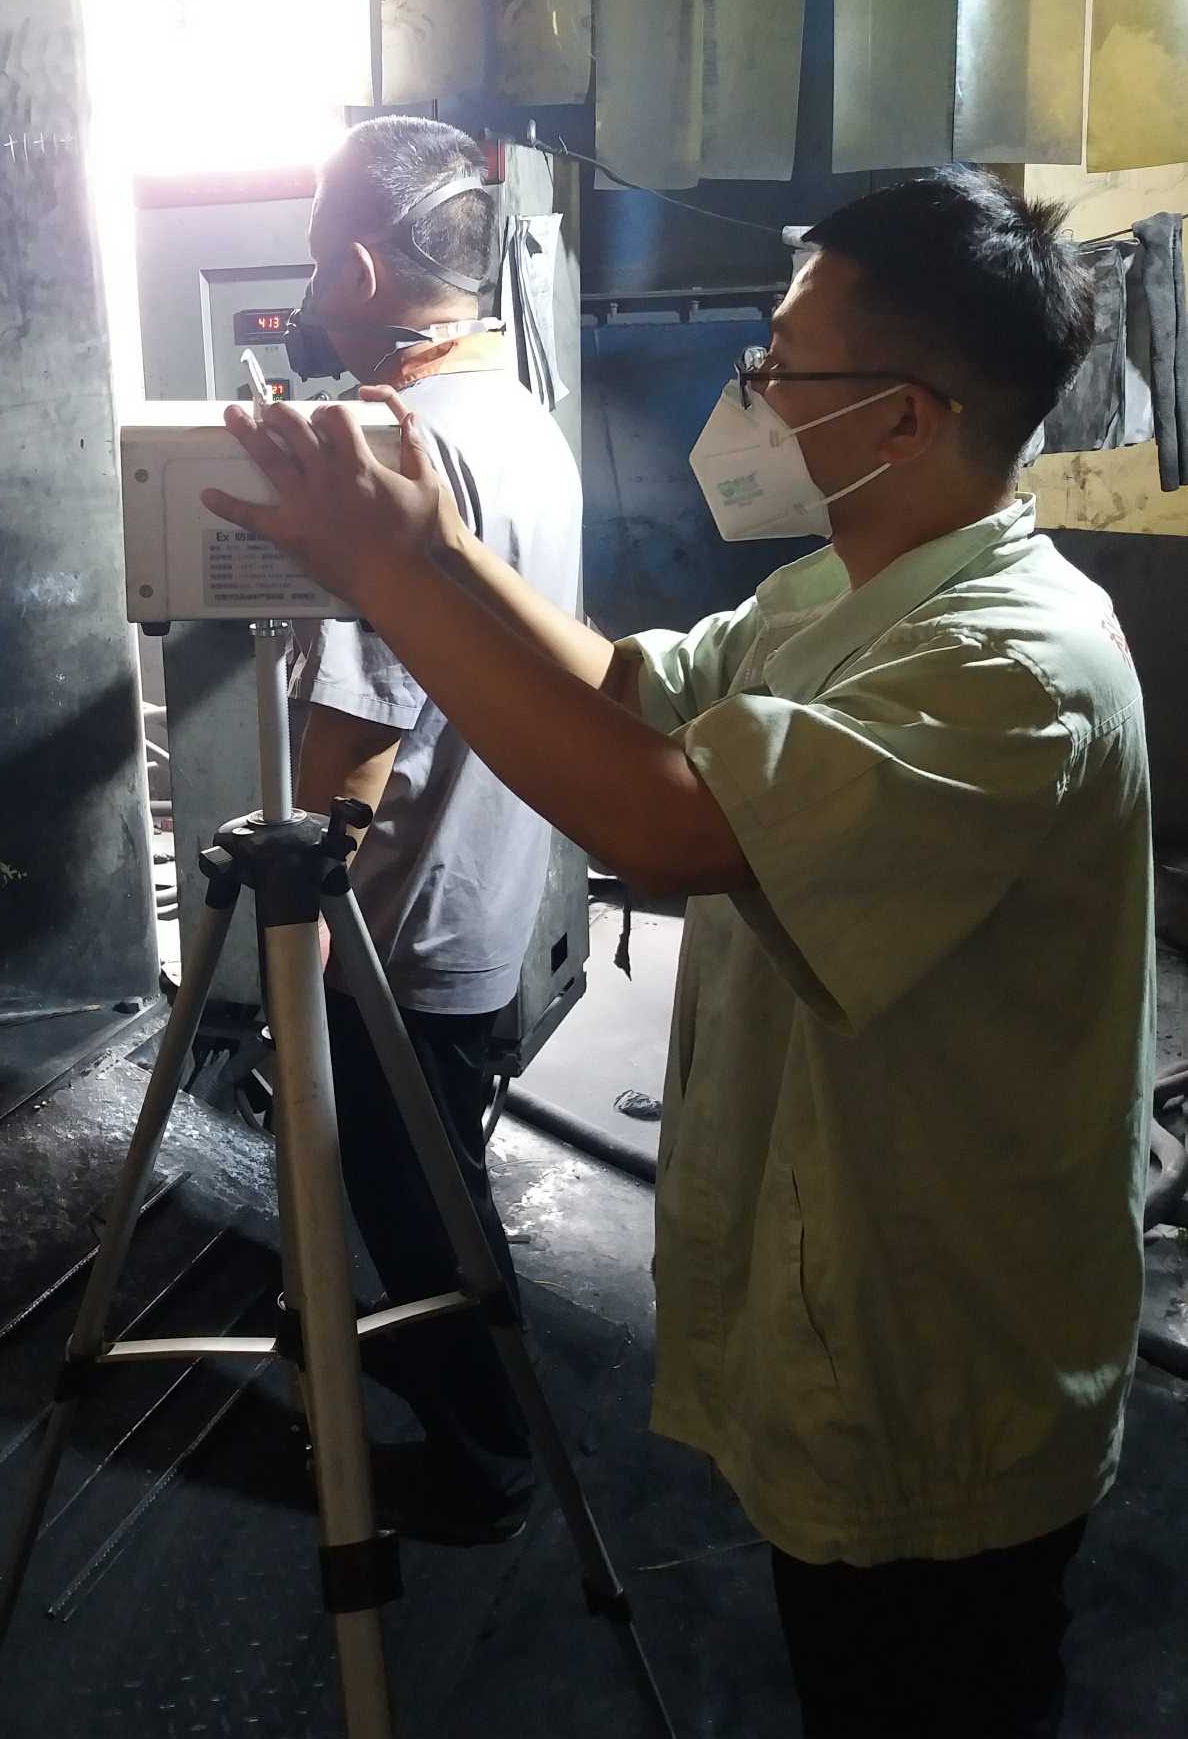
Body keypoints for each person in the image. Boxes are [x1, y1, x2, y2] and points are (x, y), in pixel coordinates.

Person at [206, 169, 1154, 1738]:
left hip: (948, 1348)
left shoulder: (1011, 665)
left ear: (905, 417)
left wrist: (381, 585)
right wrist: (437, 549)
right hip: (852, 1299)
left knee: (934, 1690)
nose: (757, 387)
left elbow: (668, 827)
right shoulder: (834, 591)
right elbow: (632, 693)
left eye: (788, 360)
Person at [282, 116, 583, 1545]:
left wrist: (300, 910)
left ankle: (487, 1463)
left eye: (312, 260)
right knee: (435, 1167)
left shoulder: (390, 446)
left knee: (422, 1205)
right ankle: (429, 1363)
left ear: (355, 269)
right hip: (490, 870)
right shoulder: (513, 413)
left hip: (400, 913)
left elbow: (360, 724)